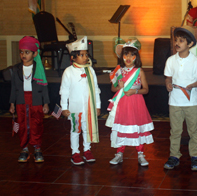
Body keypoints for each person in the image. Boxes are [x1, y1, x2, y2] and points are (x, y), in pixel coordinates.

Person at [163, 26, 197, 171]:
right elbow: (168, 77)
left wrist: (193, 85)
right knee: (175, 131)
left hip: (191, 102)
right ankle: (174, 155)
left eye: (181, 41)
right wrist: (168, 83)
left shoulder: (196, 61)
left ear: (190, 44)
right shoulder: (170, 60)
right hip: (174, 102)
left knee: (194, 130)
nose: (177, 43)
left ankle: (195, 156)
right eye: (176, 40)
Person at [106, 40, 154, 166]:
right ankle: (119, 153)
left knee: (136, 127)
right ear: (122, 56)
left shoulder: (139, 71)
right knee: (122, 127)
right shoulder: (118, 71)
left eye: (131, 55)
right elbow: (112, 89)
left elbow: (146, 90)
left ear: (136, 57)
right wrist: (118, 87)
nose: (128, 58)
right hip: (122, 104)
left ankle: (140, 154)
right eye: (125, 55)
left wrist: (135, 91)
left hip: (136, 103)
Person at [60, 36, 101, 166]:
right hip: (75, 109)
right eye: (81, 55)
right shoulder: (68, 72)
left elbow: (96, 89)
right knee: (75, 130)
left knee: (87, 129)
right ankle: (75, 152)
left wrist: (97, 106)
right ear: (73, 57)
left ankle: (87, 150)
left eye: (86, 54)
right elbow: (64, 91)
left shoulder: (90, 70)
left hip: (88, 107)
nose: (85, 57)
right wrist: (64, 107)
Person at [9, 36, 50, 163]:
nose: (23, 55)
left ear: (35, 53)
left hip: (36, 101)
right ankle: (24, 148)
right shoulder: (16, 69)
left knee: (36, 124)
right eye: (21, 52)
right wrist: (12, 103)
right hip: (21, 100)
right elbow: (14, 87)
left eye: (27, 52)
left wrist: (46, 103)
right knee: (22, 125)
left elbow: (44, 87)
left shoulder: (39, 69)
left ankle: (37, 148)